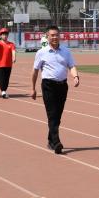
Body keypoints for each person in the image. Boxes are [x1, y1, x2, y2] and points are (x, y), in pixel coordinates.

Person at [32, 25, 79, 153]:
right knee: (52, 114)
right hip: (48, 85)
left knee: (57, 115)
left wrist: (75, 76)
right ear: (47, 37)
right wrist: (33, 88)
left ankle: (50, 140)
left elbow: (72, 66)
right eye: (52, 35)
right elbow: (35, 71)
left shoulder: (66, 51)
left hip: (62, 86)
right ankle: (57, 142)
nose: (55, 37)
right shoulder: (41, 52)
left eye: (57, 35)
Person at [0, 29, 16, 99]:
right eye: (3, 35)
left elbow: (13, 51)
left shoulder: (11, 44)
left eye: (6, 35)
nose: (5, 36)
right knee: (2, 78)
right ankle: (3, 91)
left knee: (6, 79)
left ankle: (4, 90)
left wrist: (14, 57)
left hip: (9, 64)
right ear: (1, 35)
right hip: (1, 64)